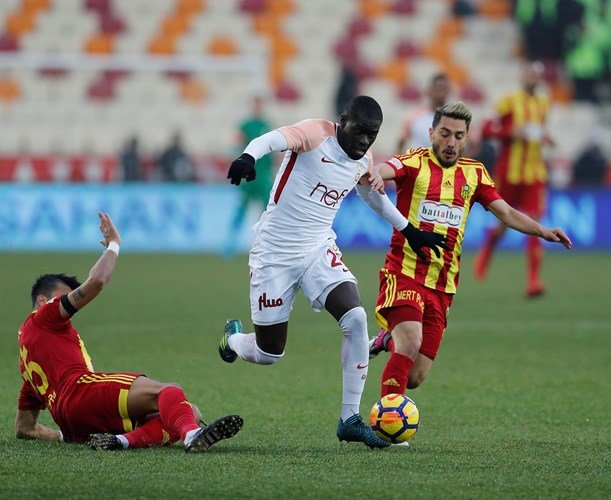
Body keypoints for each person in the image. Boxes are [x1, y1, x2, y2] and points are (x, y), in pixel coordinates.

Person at [218, 96, 446, 449]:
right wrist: (249, 155)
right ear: (342, 121)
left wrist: (408, 230)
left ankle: (349, 418)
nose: (365, 141)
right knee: (269, 352)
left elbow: (372, 195)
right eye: (359, 132)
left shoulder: (363, 158)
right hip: (274, 253)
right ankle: (232, 339)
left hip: (317, 250)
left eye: (372, 135)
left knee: (355, 318)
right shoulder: (314, 134)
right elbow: (272, 139)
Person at [366, 101, 571, 399]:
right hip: (404, 272)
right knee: (410, 341)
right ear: (431, 133)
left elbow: (506, 213)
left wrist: (542, 230)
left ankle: (386, 340)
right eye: (445, 134)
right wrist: (374, 173)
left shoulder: (475, 174)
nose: (451, 143)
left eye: (458, 136)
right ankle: (387, 420)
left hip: (442, 285)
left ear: (468, 138)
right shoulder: (414, 162)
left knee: (414, 377)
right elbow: (386, 168)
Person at [15, 212, 243, 452]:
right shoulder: (44, 316)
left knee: (190, 411)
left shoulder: (27, 360)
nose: (66, 300)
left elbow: (24, 428)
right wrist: (114, 244)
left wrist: (63, 435)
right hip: (82, 391)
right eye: (61, 296)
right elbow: (97, 282)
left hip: (75, 425)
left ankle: (122, 441)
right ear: (42, 300)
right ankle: (192, 436)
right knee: (169, 391)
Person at [474, 62, 554, 297]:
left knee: (536, 222)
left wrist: (546, 138)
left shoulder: (543, 104)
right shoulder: (508, 101)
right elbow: (487, 130)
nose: (533, 79)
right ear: (523, 76)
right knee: (503, 224)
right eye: (530, 74)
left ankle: (533, 281)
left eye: (537, 76)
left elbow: (539, 131)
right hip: (509, 173)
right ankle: (488, 249)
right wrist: (509, 133)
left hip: (534, 174)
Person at [225, 97, 275, 256]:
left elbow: (273, 150)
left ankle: (269, 245)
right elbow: (236, 144)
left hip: (264, 175)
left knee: (268, 211)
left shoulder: (266, 125)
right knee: (241, 209)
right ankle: (230, 245)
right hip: (249, 176)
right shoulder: (246, 125)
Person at [396, 73, 451, 153]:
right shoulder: (415, 116)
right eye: (438, 88)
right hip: (417, 162)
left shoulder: (456, 118)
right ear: (430, 91)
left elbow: (470, 142)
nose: (441, 93)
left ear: (448, 91)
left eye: (443, 89)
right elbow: (401, 141)